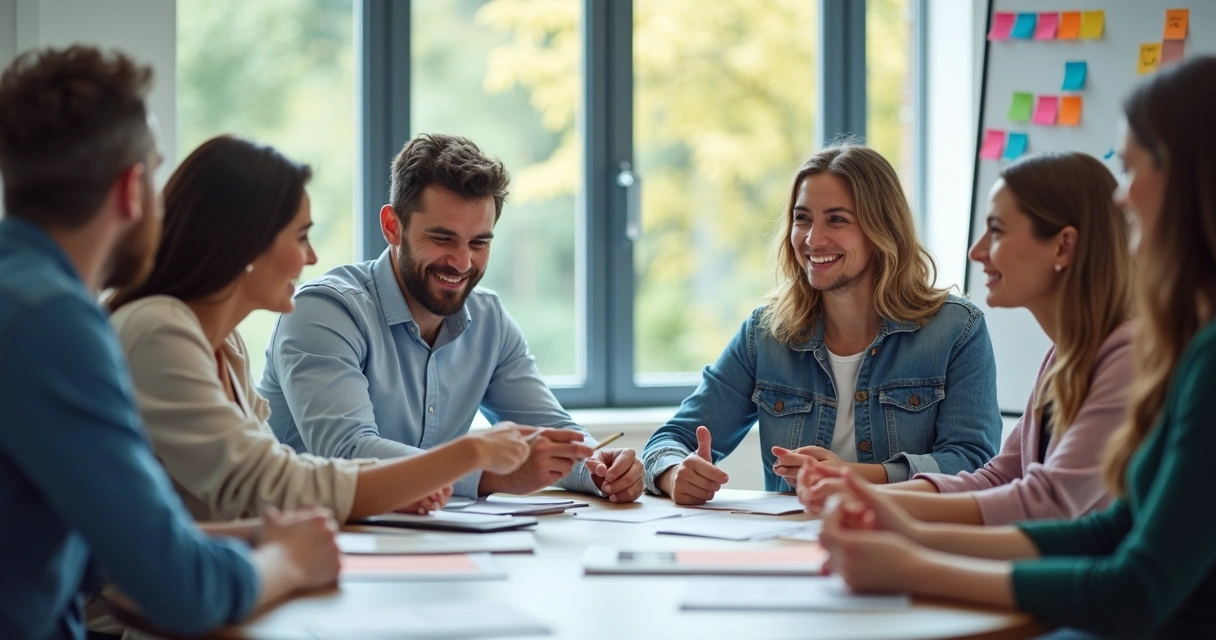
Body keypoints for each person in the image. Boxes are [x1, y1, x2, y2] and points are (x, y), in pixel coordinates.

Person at [814, 56, 1216, 639]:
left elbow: (1128, 583)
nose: (1122, 198)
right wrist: (902, 522)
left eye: (1131, 172)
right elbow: (1103, 530)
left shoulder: (1167, 356)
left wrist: (916, 560)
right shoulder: (1076, 355)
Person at [0, 46, 339, 640]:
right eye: (157, 174)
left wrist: (256, 538)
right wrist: (286, 561)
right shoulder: (55, 324)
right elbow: (180, 589)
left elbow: (96, 543)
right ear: (133, 188)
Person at [106, 135, 534, 526]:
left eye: (479, 242)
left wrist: (397, 486)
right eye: (300, 237)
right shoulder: (160, 329)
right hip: (137, 606)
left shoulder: (225, 344)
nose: (310, 258)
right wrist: (468, 455)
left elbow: (267, 483)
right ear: (245, 243)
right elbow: (267, 484)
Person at [259, 133, 644, 503]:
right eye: (443, 239)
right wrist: (491, 474)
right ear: (393, 226)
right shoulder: (324, 311)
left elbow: (554, 434)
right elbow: (347, 452)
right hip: (312, 538)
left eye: (479, 242)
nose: (462, 263)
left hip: (429, 539)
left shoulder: (489, 320)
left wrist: (599, 469)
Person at [642, 143, 1002, 505]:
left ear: (882, 229)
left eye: (837, 219)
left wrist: (857, 477)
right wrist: (674, 475)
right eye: (802, 219)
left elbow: (975, 465)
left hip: (911, 545)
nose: (813, 239)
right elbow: (671, 440)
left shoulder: (956, 330)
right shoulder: (765, 334)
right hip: (795, 548)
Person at [797, 152, 1133, 526]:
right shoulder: (1063, 357)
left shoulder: (1126, 358)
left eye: (998, 231)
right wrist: (860, 493)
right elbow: (997, 478)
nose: (977, 252)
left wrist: (879, 508)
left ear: (1063, 247)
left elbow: (1046, 501)